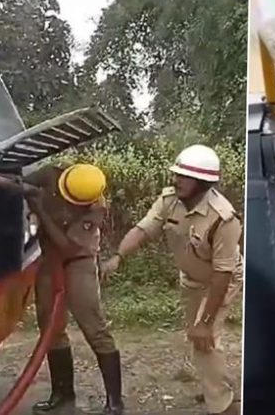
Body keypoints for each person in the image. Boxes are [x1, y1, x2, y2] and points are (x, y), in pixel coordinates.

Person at [101, 145, 243, 415]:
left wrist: (206, 322)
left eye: (183, 176)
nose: (175, 180)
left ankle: (224, 405)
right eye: (176, 174)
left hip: (220, 281)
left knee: (205, 338)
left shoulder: (224, 218)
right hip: (191, 279)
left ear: (202, 183)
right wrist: (118, 255)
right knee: (197, 337)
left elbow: (222, 274)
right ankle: (217, 386)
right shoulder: (169, 201)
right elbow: (143, 230)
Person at [0, 163, 125, 415]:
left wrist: (40, 208)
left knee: (93, 325)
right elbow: (19, 184)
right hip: (49, 258)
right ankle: (62, 395)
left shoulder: (95, 208)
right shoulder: (52, 174)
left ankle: (115, 401)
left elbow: (68, 247)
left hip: (77, 260)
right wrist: (8, 185)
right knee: (50, 326)